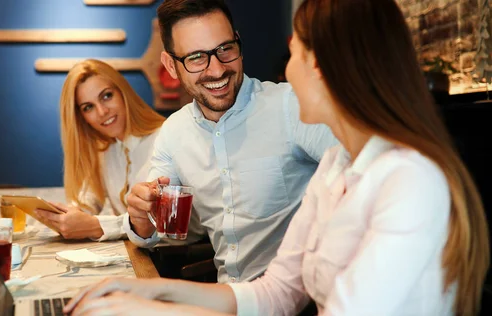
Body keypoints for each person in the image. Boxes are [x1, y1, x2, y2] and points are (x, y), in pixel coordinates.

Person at [64, 0, 490, 315]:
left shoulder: (409, 181)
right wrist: (147, 292)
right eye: (196, 57)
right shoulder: (336, 168)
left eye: (296, 53)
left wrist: (153, 309)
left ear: (324, 69)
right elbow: (276, 293)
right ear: (173, 65)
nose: (285, 70)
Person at [122, 0, 339, 284]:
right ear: (171, 66)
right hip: (231, 296)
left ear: (238, 42)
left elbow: (365, 172)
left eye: (225, 49)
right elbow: (158, 227)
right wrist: (140, 217)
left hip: (301, 297)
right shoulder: (174, 131)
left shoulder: (292, 105)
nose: (216, 69)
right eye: (197, 57)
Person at [35, 59, 165, 241]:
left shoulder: (165, 139)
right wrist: (69, 214)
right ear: (82, 118)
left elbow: (158, 221)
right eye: (88, 107)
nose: (102, 111)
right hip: (135, 256)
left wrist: (96, 226)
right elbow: (90, 197)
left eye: (106, 96)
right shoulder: (106, 148)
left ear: (123, 93)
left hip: (167, 261)